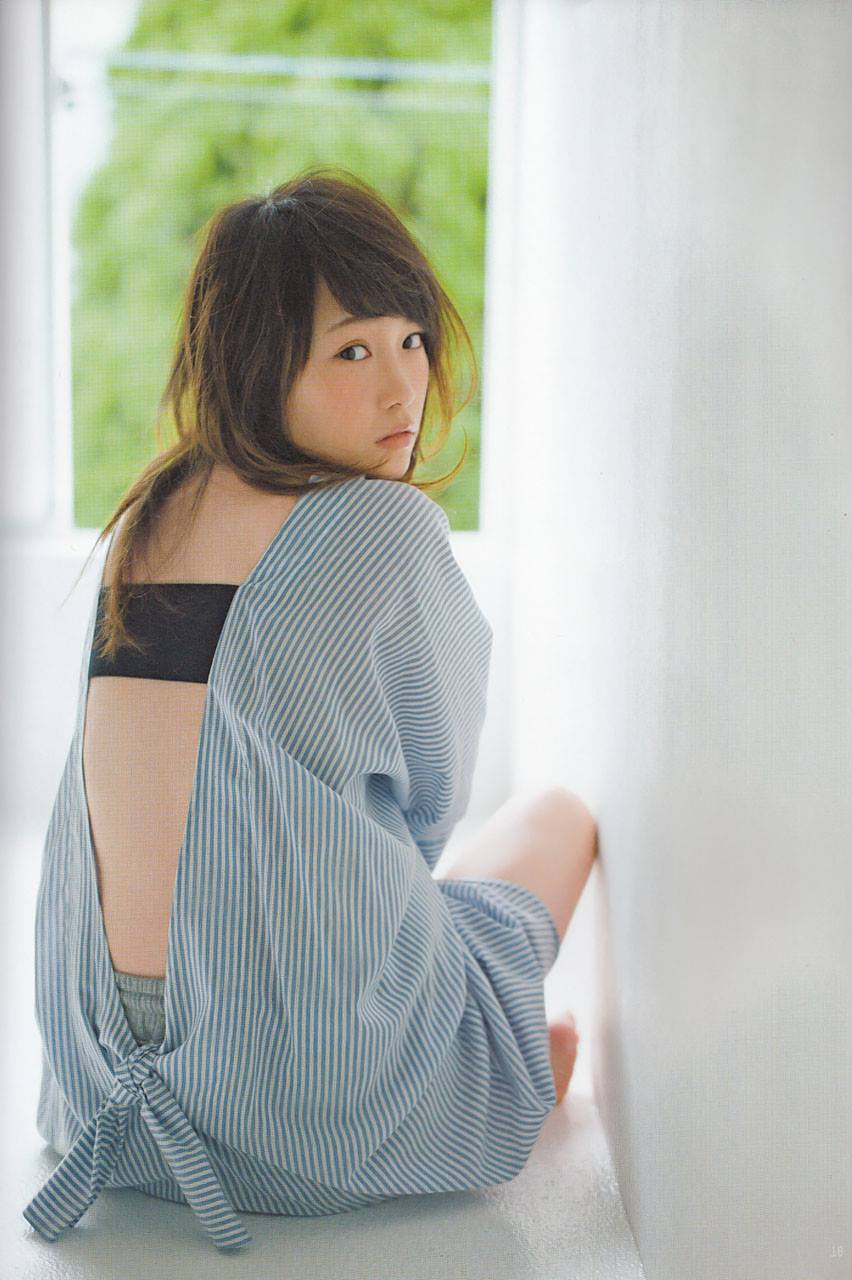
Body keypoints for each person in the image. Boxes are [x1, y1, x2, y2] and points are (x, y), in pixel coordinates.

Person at [23, 167, 597, 1253]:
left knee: (415, 905)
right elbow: (427, 808)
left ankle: (504, 1052)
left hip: (105, 1086)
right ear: (257, 362)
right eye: (350, 353)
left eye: (410, 340)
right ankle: (493, 1069)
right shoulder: (382, 527)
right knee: (557, 815)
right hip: (306, 1100)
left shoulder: (148, 515)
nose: (402, 388)